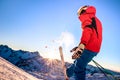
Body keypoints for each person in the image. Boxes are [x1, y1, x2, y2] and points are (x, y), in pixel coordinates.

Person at [66, 5, 102, 80]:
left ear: (82, 11)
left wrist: (82, 45)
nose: (79, 17)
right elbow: (94, 35)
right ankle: (69, 72)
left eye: (78, 14)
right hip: (94, 48)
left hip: (89, 48)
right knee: (78, 61)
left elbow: (87, 30)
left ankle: (69, 73)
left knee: (79, 68)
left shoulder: (86, 16)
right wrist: (80, 46)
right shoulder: (96, 20)